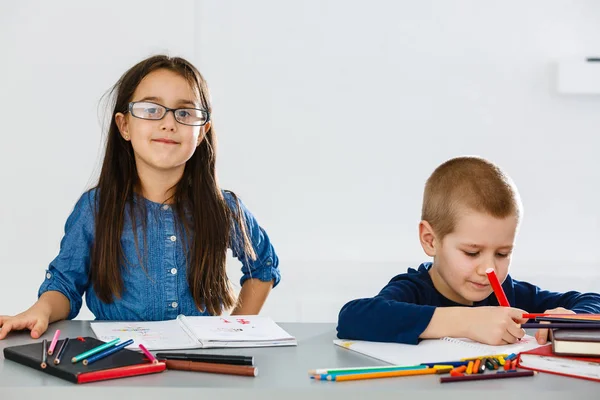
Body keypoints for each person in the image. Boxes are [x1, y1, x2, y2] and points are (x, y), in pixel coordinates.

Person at [0, 55, 280, 339]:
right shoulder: (96, 208)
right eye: (150, 109)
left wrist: (232, 331)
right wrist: (41, 310)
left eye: (184, 113)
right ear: (124, 126)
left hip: (202, 368)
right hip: (118, 363)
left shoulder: (223, 208)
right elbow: (64, 283)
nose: (169, 123)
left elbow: (264, 266)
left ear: (201, 133)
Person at [337, 156, 600, 346]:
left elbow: (592, 300)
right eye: (472, 253)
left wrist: (572, 318)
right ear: (430, 240)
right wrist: (467, 322)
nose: (489, 270)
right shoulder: (414, 290)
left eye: (502, 253)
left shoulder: (508, 291)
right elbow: (353, 317)